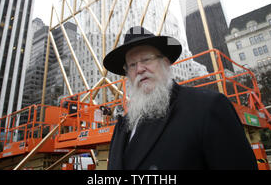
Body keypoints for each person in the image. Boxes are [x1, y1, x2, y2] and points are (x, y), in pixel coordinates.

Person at [102, 26, 257, 170]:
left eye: (146, 60)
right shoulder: (122, 127)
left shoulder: (208, 107)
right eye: (132, 65)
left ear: (166, 62)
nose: (140, 69)